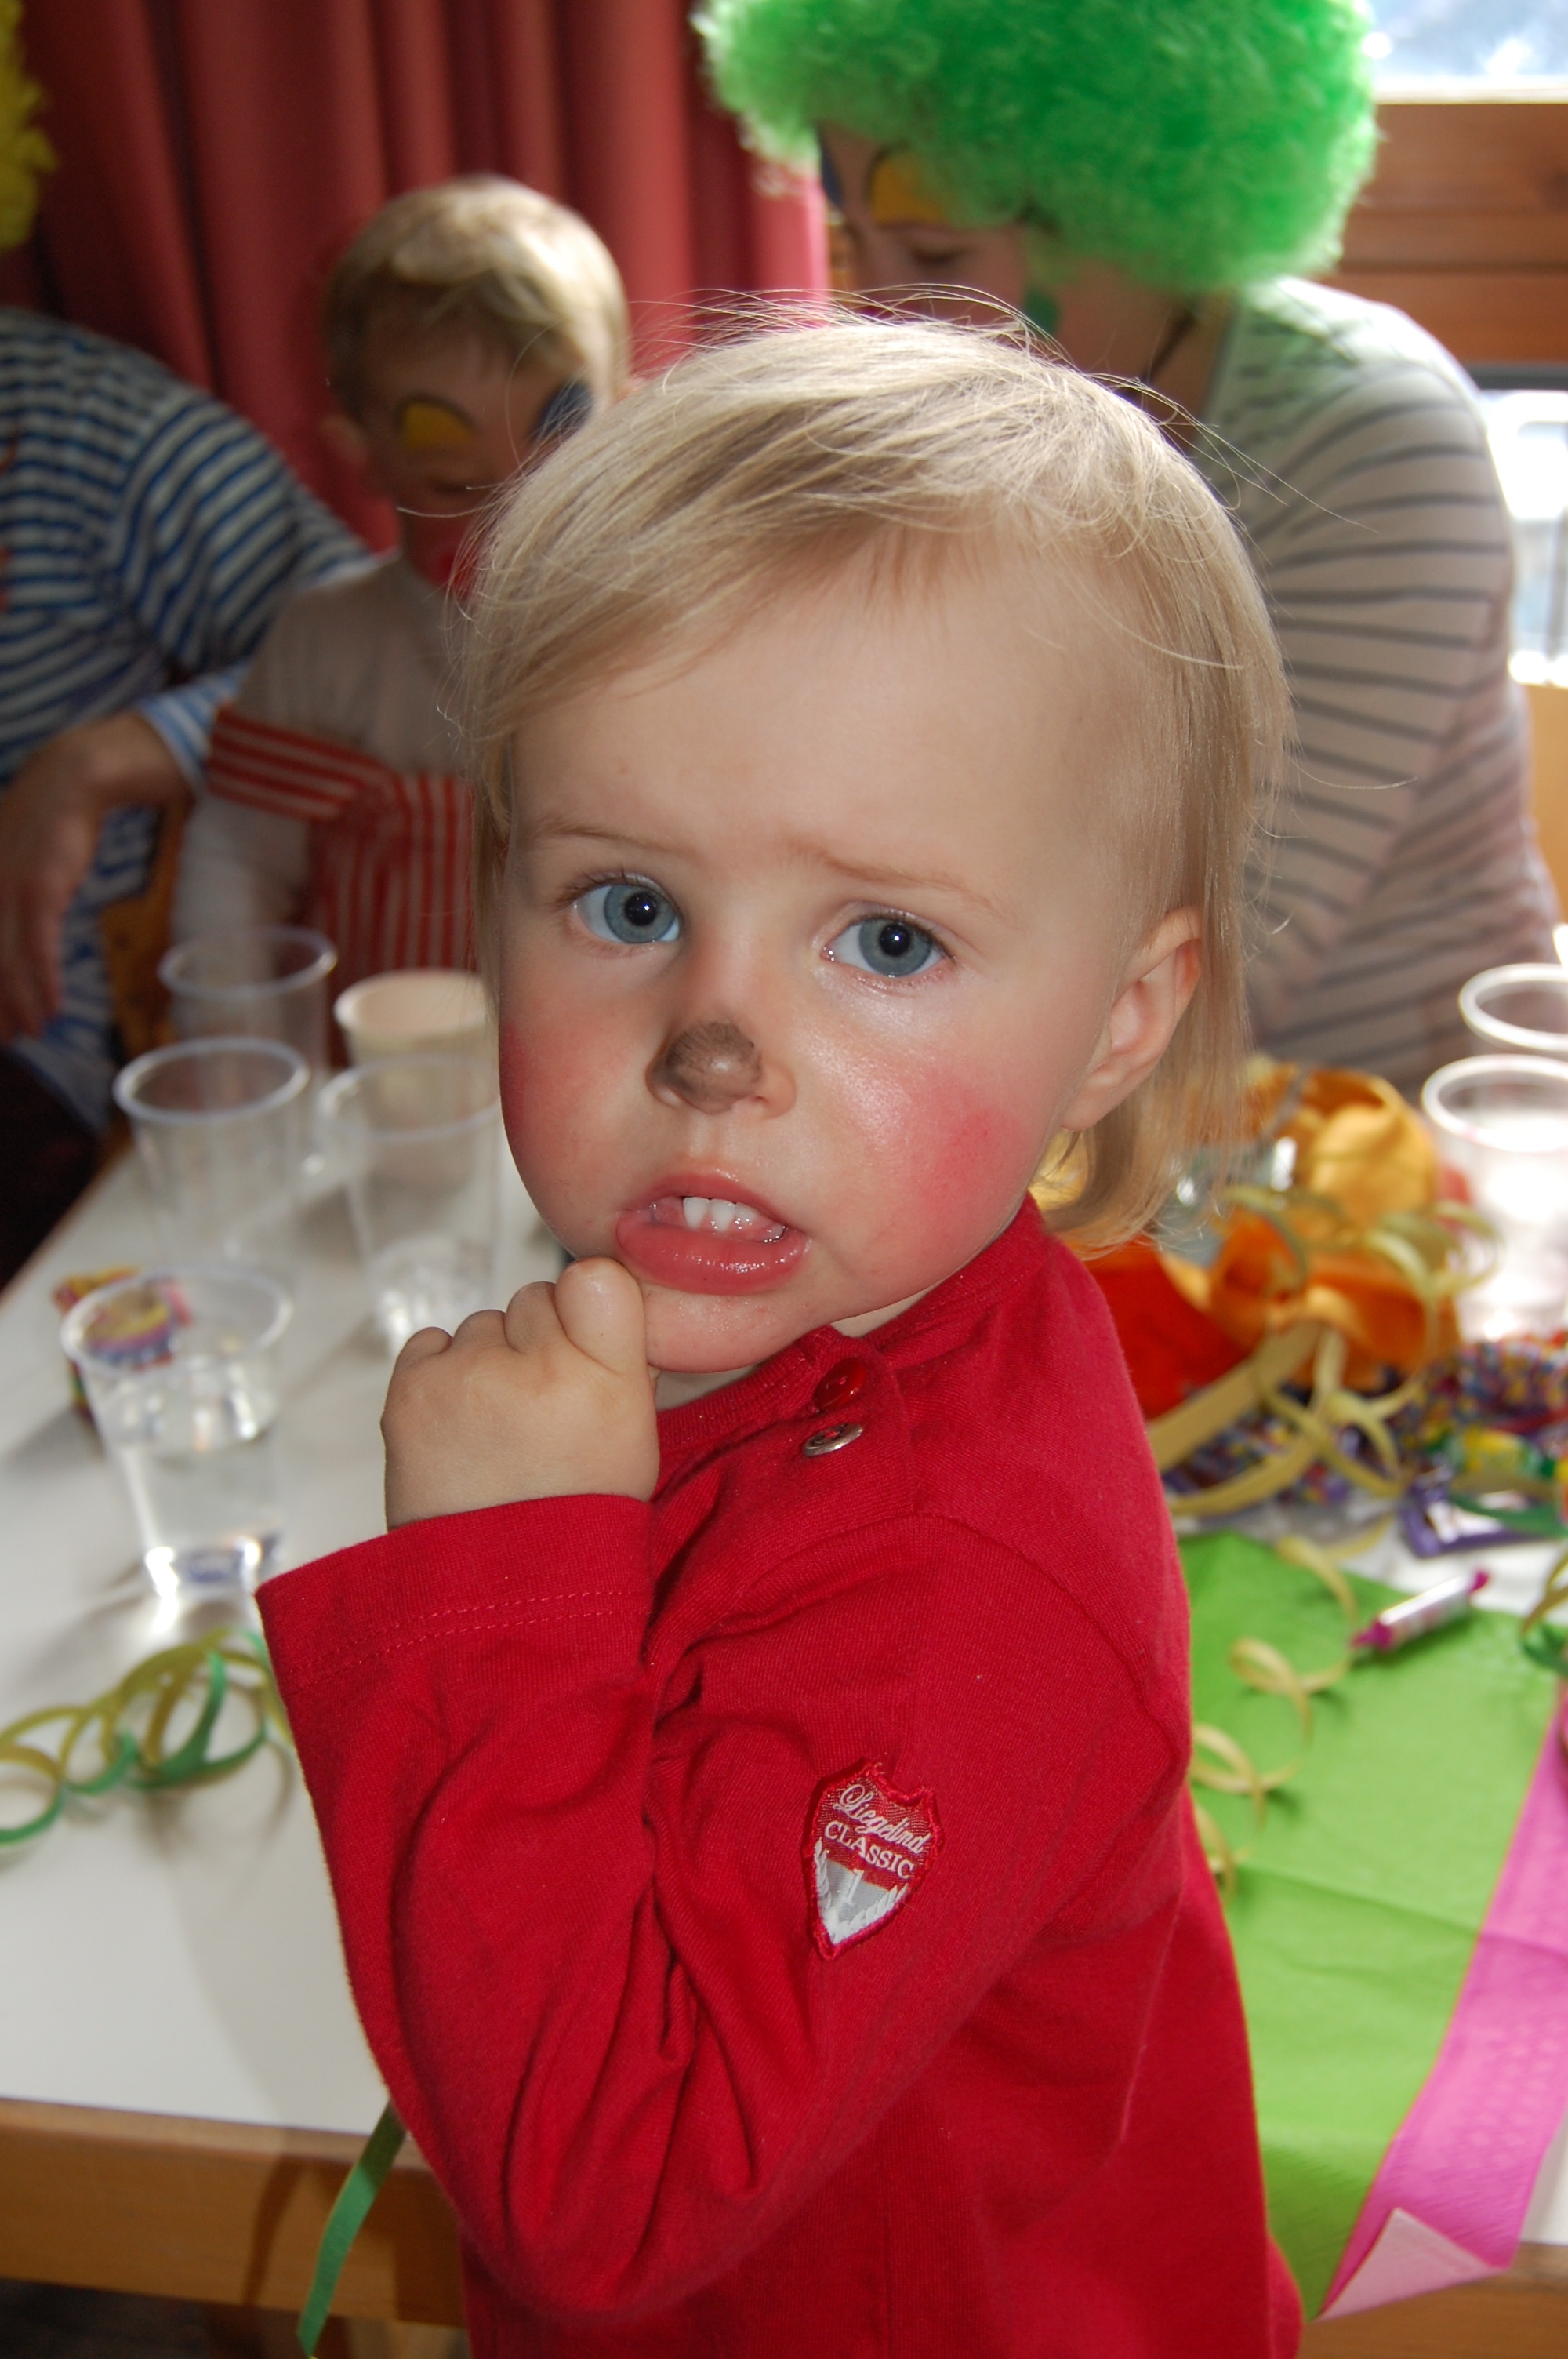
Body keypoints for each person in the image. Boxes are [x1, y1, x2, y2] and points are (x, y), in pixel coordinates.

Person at [259, 317, 1301, 2357]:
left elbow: (608, 2195)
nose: (715, 1046)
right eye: (630, 905)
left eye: (886, 941)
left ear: (1118, 1019)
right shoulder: (844, 1291)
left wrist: (496, 1583)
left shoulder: (952, 1571)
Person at [699, 0, 1559, 1095]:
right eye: (852, 244)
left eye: (935, 250)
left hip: (1383, 1122)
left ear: (1125, 220)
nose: (886, 312)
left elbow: (1232, 956)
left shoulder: (1371, 439)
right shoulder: (978, 445)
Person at [173, 176, 629, 991]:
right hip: (377, 1061)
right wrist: (243, 1032)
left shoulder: (655, 639)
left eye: (557, 468)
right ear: (364, 455)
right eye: (455, 483)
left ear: (626, 419)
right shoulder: (324, 642)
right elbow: (238, 860)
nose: (513, 520)